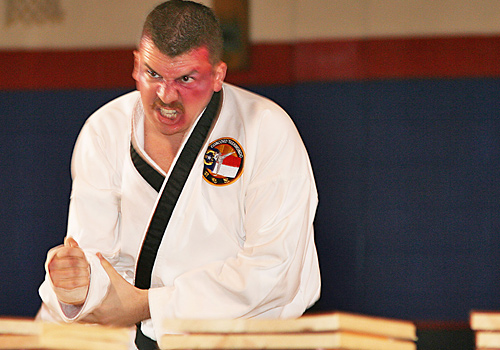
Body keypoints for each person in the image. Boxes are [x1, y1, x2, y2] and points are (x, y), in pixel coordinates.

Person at [38, 1, 321, 349]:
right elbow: (99, 262)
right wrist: (78, 283)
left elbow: (273, 272)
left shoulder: (266, 129)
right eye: (153, 74)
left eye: (185, 78)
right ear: (135, 66)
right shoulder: (104, 130)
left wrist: (148, 305)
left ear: (218, 75)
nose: (166, 96)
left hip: (243, 344)